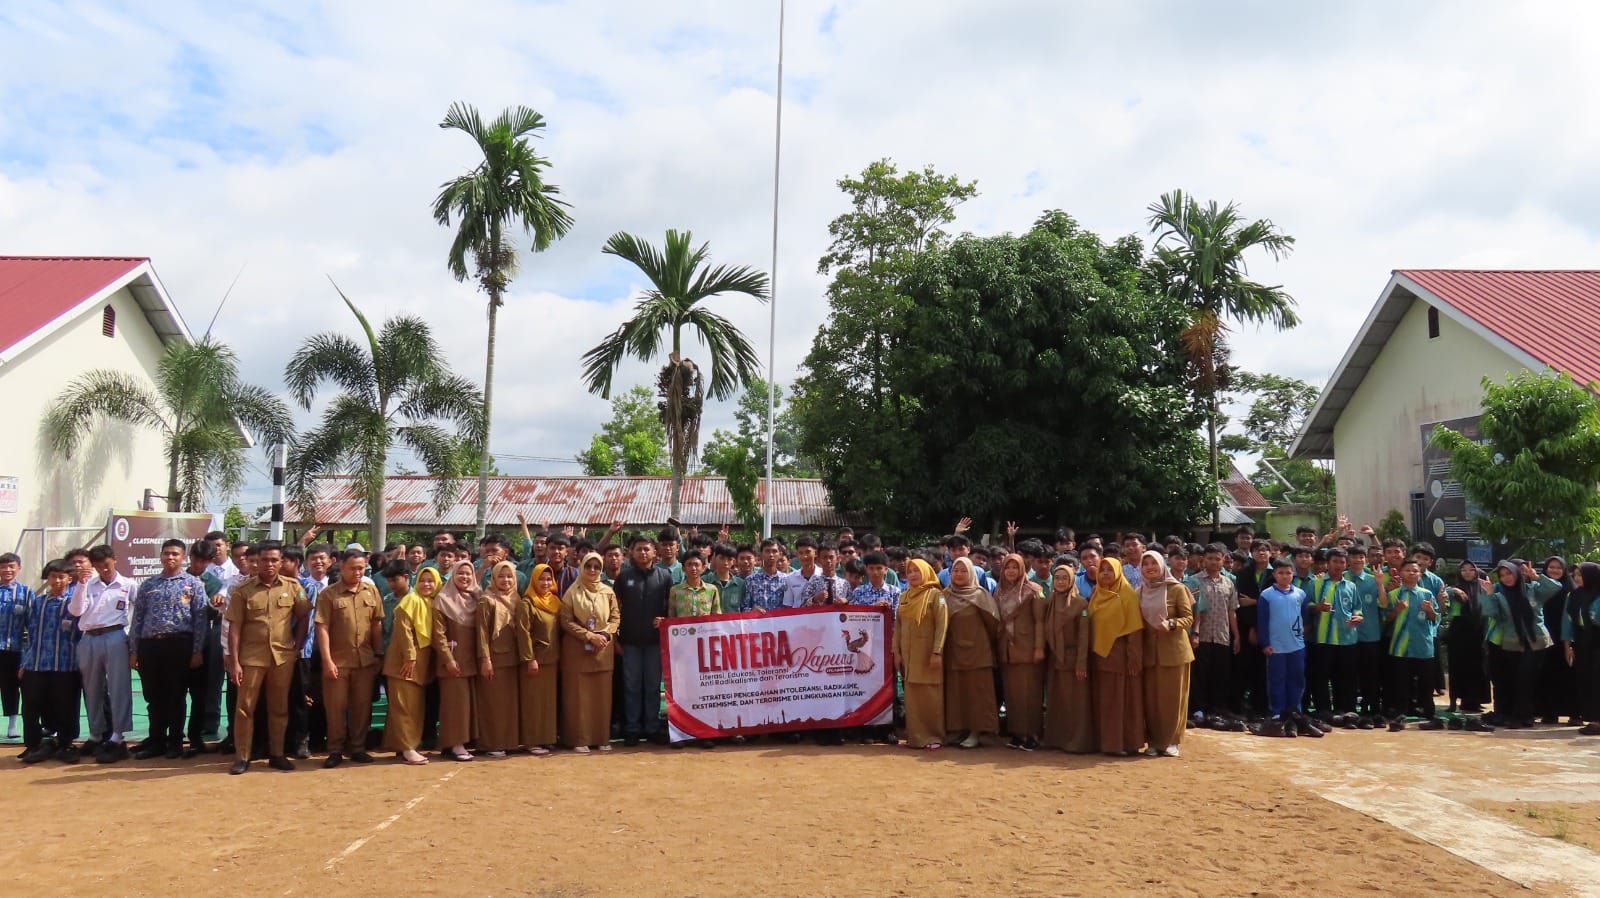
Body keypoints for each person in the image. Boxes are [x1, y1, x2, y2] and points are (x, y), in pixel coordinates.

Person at [224, 541, 310, 774]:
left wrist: (297, 646)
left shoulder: (294, 587)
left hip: (282, 657)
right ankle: (242, 756)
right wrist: (234, 661)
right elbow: (235, 627)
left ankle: (277, 753)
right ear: (257, 561)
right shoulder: (244, 590)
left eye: (274, 560)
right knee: (245, 708)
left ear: (281, 562)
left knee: (279, 707)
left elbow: (304, 617)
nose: (270, 564)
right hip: (251, 657)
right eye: (265, 560)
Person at [129, 539, 207, 760]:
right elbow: (138, 618)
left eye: (175, 554)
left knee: (176, 696)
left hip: (179, 645)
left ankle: (175, 742)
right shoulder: (149, 584)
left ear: (183, 558)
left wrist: (197, 651)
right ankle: (156, 741)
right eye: (166, 554)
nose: (170, 558)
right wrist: (134, 650)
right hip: (150, 646)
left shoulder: (193, 584)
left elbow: (200, 620)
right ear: (160, 556)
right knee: (153, 696)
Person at [316, 549, 383, 767]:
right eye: (353, 568)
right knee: (336, 707)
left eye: (361, 568)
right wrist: (327, 660)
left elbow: (376, 625)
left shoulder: (371, 591)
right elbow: (322, 627)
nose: (357, 572)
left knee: (362, 707)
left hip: (364, 660)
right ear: (342, 567)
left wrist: (378, 653)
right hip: (338, 661)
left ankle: (358, 748)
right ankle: (335, 749)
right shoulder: (329, 594)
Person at [70, 545, 136, 763]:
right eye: (98, 567)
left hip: (115, 635)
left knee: (119, 687)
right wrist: (81, 584)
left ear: (115, 560)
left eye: (106, 565)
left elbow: (139, 611)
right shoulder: (88, 584)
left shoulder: (128, 584)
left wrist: (132, 640)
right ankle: (96, 733)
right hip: (89, 637)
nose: (103, 570)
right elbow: (76, 611)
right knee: (91, 688)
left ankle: (117, 736)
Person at [1482, 559, 1563, 729]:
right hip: (1513, 643)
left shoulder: (1532, 589)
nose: (1506, 578)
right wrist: (1488, 594)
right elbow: (1490, 613)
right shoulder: (1499, 595)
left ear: (1517, 573)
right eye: (1502, 575)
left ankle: (1523, 717)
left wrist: (1536, 577)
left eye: (1509, 573)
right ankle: (1519, 716)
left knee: (1525, 679)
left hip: (1537, 642)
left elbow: (1555, 587)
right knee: (1516, 680)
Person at [17, 560, 81, 763]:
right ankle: (34, 745)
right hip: (35, 663)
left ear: (69, 579)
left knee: (65, 705)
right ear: (48, 579)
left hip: (65, 664)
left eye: (61, 576)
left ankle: (65, 744)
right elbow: (31, 634)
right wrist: (24, 663)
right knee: (30, 705)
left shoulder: (75, 603)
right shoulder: (37, 602)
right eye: (53, 576)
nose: (57, 580)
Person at [612, 535, 671, 746]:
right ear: (631, 553)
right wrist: (615, 639)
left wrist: (665, 620)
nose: (643, 553)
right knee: (632, 686)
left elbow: (669, 609)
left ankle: (652, 727)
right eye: (639, 549)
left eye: (647, 549)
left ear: (655, 552)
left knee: (653, 686)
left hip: (655, 642)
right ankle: (633, 729)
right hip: (630, 642)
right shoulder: (623, 578)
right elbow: (614, 610)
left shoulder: (665, 576)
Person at [559, 552, 620, 753]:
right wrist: (588, 636)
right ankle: (579, 738)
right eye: (588, 566)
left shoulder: (608, 591)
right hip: (578, 650)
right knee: (578, 697)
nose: (592, 570)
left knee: (602, 697)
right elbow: (565, 621)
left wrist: (604, 635)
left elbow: (615, 618)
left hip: (603, 649)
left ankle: (601, 737)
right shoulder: (572, 592)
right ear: (582, 567)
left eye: (596, 567)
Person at [1138, 550, 1193, 758]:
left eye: (1154, 563)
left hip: (1174, 652)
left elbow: (1188, 618)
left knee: (1173, 699)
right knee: (1151, 700)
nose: (1150, 567)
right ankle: (1154, 741)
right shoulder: (1139, 591)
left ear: (1162, 565)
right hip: (1149, 653)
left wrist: (1171, 624)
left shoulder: (1177, 589)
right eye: (1146, 564)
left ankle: (1172, 741)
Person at [941, 557, 1000, 749]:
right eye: (955, 570)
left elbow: (993, 625)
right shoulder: (944, 595)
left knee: (977, 694)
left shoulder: (980, 595)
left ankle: (977, 730)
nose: (958, 574)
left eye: (963, 571)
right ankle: (958, 729)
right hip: (952, 652)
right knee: (956, 693)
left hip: (977, 652)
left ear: (971, 573)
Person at [1088, 557, 1145, 755]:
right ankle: (1103, 742)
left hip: (1120, 656)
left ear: (1118, 572)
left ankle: (1121, 743)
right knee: (1103, 701)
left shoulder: (1127, 595)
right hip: (1099, 656)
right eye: (1102, 569)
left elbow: (1135, 630)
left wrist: (1133, 658)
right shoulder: (1097, 594)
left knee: (1120, 701)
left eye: (1109, 570)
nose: (1105, 573)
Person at [992, 553, 1046, 751]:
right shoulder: (999, 591)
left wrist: (1039, 647)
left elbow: (1040, 621)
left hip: (1028, 648)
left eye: (1015, 567)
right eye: (1007, 567)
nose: (1011, 571)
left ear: (1022, 569)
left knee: (1029, 693)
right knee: (1012, 694)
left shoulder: (1034, 591)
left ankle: (1032, 734)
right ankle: (1017, 734)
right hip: (1007, 649)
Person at [893, 559, 947, 750]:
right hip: (909, 656)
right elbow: (898, 625)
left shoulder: (936, 595)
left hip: (928, 655)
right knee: (913, 698)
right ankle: (915, 737)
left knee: (931, 697)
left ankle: (933, 736)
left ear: (926, 572)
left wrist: (937, 652)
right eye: (910, 572)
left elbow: (942, 626)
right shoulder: (904, 596)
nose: (913, 575)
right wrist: (896, 651)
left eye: (917, 571)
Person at [383, 563, 434, 765]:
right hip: (403, 662)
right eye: (423, 580)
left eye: (430, 581)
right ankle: (407, 747)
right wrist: (410, 657)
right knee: (404, 706)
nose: (426, 584)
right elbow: (403, 632)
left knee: (410, 705)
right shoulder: (409, 602)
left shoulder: (424, 601)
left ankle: (400, 746)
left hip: (416, 662)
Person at [1384, 559, 1443, 729]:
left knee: (1426, 681)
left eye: (1415, 571)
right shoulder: (1393, 595)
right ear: (1400, 573)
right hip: (1400, 646)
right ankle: (1403, 709)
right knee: (1402, 681)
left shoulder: (1427, 594)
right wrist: (1396, 610)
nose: (1411, 573)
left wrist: (1430, 610)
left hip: (1423, 645)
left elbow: (1436, 619)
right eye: (1407, 570)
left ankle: (1428, 710)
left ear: (1420, 574)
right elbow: (1386, 619)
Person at [431, 561, 481, 761]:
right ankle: (456, 744)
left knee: (468, 704)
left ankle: (463, 741)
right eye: (460, 573)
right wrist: (448, 659)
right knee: (455, 705)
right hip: (454, 660)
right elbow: (438, 635)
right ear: (453, 575)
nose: (465, 577)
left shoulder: (477, 597)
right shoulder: (443, 600)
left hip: (472, 660)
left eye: (469, 574)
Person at [1042, 561, 1093, 753]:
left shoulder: (1081, 604)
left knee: (1076, 702)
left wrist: (1081, 664)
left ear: (1072, 580)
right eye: (1057, 578)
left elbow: (1084, 637)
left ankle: (1077, 742)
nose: (1061, 582)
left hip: (1073, 660)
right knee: (1057, 701)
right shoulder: (1050, 602)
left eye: (1065, 578)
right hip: (1055, 659)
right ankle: (1057, 739)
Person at [475, 560, 523, 758]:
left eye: (509, 576)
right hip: (494, 659)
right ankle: (492, 743)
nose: (506, 580)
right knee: (493, 704)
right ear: (493, 578)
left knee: (509, 704)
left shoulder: (516, 598)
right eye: (501, 576)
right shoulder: (487, 600)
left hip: (513, 659)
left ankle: (509, 741)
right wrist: (485, 659)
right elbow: (482, 633)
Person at [1307, 547, 1361, 723]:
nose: (1338, 565)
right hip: (1323, 639)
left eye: (1342, 562)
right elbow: (1306, 607)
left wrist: (1358, 617)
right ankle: (1323, 710)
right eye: (1335, 561)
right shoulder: (1315, 583)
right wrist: (1317, 608)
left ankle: (1346, 710)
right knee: (1321, 677)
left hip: (1347, 639)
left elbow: (1357, 608)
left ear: (1346, 564)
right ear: (1327, 564)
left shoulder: (1351, 586)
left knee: (1346, 677)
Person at [1258, 559, 1308, 736]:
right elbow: (1262, 622)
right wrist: (1266, 643)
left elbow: (1303, 617)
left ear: (1293, 574)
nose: (1285, 576)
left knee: (1297, 679)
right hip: (1276, 647)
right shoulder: (1267, 595)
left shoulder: (1300, 594)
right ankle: (1277, 712)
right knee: (1277, 680)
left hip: (1296, 645)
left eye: (1288, 573)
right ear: (1274, 575)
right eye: (1280, 573)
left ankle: (1295, 711)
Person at [1189, 544, 1239, 724]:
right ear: (1204, 559)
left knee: (1220, 674)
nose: (1213, 562)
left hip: (1222, 635)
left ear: (1223, 560)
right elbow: (1193, 609)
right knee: (1200, 674)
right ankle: (1198, 709)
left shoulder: (1228, 583)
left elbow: (1232, 610)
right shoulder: (1194, 581)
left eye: (1217, 559)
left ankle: (1217, 709)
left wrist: (1236, 636)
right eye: (1210, 558)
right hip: (1200, 636)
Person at [518, 563, 562, 755]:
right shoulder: (527, 603)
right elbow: (523, 632)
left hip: (552, 659)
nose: (545, 582)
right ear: (533, 580)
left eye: (548, 579)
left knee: (548, 702)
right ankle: (532, 740)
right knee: (533, 702)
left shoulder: (556, 602)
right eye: (541, 579)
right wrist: (530, 658)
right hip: (535, 660)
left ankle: (547, 737)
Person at [1445, 560, 1491, 714]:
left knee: (1478, 668)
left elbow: (1488, 610)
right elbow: (1446, 602)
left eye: (1470, 569)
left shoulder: (1483, 589)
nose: (1467, 572)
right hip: (1459, 635)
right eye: (1463, 570)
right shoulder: (1456, 589)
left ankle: (1473, 701)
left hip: (1479, 634)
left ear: (1476, 572)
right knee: (1457, 668)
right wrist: (1453, 591)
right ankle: (1453, 702)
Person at [1538, 556, 1579, 725]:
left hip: (1568, 640)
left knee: (1571, 677)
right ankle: (1549, 712)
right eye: (1550, 567)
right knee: (1547, 676)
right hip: (1546, 640)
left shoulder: (1573, 591)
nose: (1554, 570)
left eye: (1558, 567)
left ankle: (1575, 713)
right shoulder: (1540, 588)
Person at [0, 552, 34, 741]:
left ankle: (16, 725)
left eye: (11, 566)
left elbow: (32, 624)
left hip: (18, 649)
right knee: (5, 686)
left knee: (20, 686)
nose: (7, 570)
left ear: (18, 568)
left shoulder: (26, 592)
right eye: (4, 566)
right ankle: (9, 722)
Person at [1564, 562, 1600, 736]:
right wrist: (1570, 644)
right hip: (1583, 642)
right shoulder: (1575, 595)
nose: (1577, 578)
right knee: (1587, 680)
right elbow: (1571, 620)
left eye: (1581, 575)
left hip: (1597, 642)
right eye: (1576, 575)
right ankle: (1593, 719)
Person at [705, 543, 745, 614]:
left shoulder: (741, 584)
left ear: (734, 561)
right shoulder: (705, 581)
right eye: (722, 558)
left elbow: (744, 608)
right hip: (711, 624)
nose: (725, 562)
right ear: (715, 558)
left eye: (729, 559)